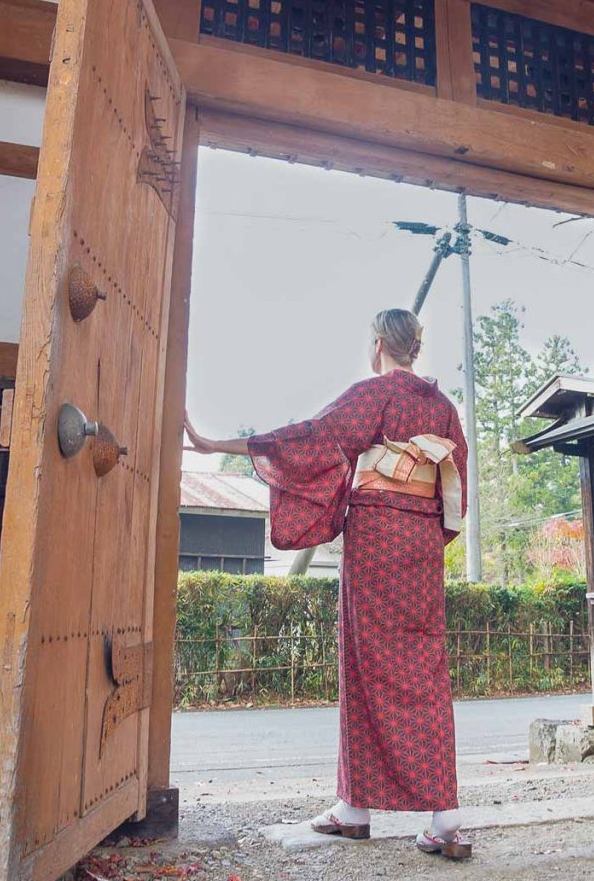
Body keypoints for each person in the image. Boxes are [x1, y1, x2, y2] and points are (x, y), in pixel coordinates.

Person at [184, 309, 471, 859]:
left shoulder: (373, 394)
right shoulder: (444, 409)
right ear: (416, 346)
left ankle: (354, 808)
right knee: (424, 667)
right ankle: (430, 814)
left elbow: (313, 440)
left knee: (364, 664)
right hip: (421, 547)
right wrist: (425, 537)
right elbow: (455, 499)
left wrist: (222, 444)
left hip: (377, 538)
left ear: (379, 344)